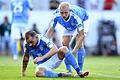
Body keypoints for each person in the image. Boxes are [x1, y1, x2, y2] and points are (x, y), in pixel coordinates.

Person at [46, 2, 89, 76]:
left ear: (69, 11)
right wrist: (43, 43)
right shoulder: (55, 15)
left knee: (79, 42)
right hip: (70, 25)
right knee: (65, 44)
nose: (64, 15)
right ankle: (69, 71)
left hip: (84, 20)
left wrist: (74, 50)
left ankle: (80, 71)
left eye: (66, 13)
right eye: (62, 13)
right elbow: (50, 30)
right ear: (59, 11)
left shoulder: (76, 16)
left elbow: (81, 36)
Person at [22, 31, 89, 78]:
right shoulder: (26, 44)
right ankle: (61, 75)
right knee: (39, 73)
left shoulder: (43, 39)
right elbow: (26, 57)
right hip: (43, 65)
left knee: (64, 49)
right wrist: (23, 71)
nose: (31, 44)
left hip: (53, 59)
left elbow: (55, 49)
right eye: (28, 43)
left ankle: (79, 72)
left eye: (31, 42)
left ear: (36, 37)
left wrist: (41, 58)